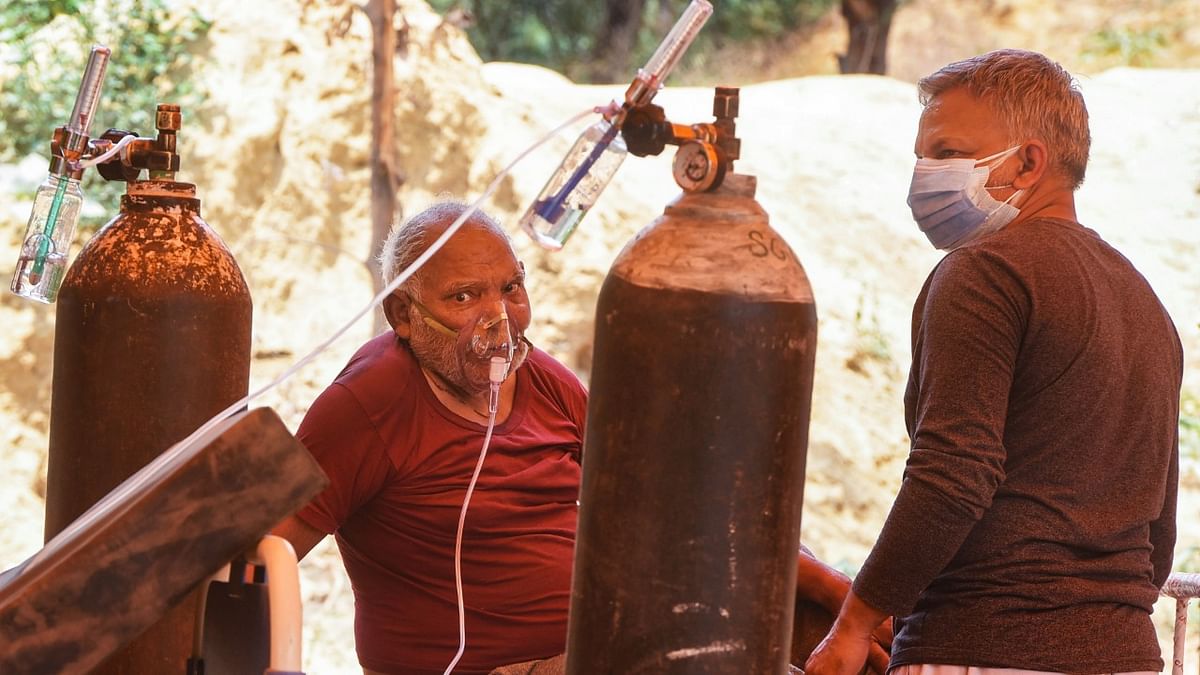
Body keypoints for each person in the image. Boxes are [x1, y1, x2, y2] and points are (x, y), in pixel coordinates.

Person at [273, 201, 879, 674]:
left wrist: (835, 591)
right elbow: (263, 556)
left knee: (815, 634)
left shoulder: (538, 379)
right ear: (403, 315)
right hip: (494, 669)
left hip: (606, 649)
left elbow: (676, 506)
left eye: (511, 288)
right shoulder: (370, 402)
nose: (499, 318)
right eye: (464, 296)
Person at [806, 49, 1183, 675]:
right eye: (922, 157)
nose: (925, 174)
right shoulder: (1142, 298)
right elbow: (1160, 527)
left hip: (986, 648)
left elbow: (952, 475)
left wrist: (854, 624)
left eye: (947, 154)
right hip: (1126, 655)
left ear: (1029, 162)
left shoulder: (984, 273)